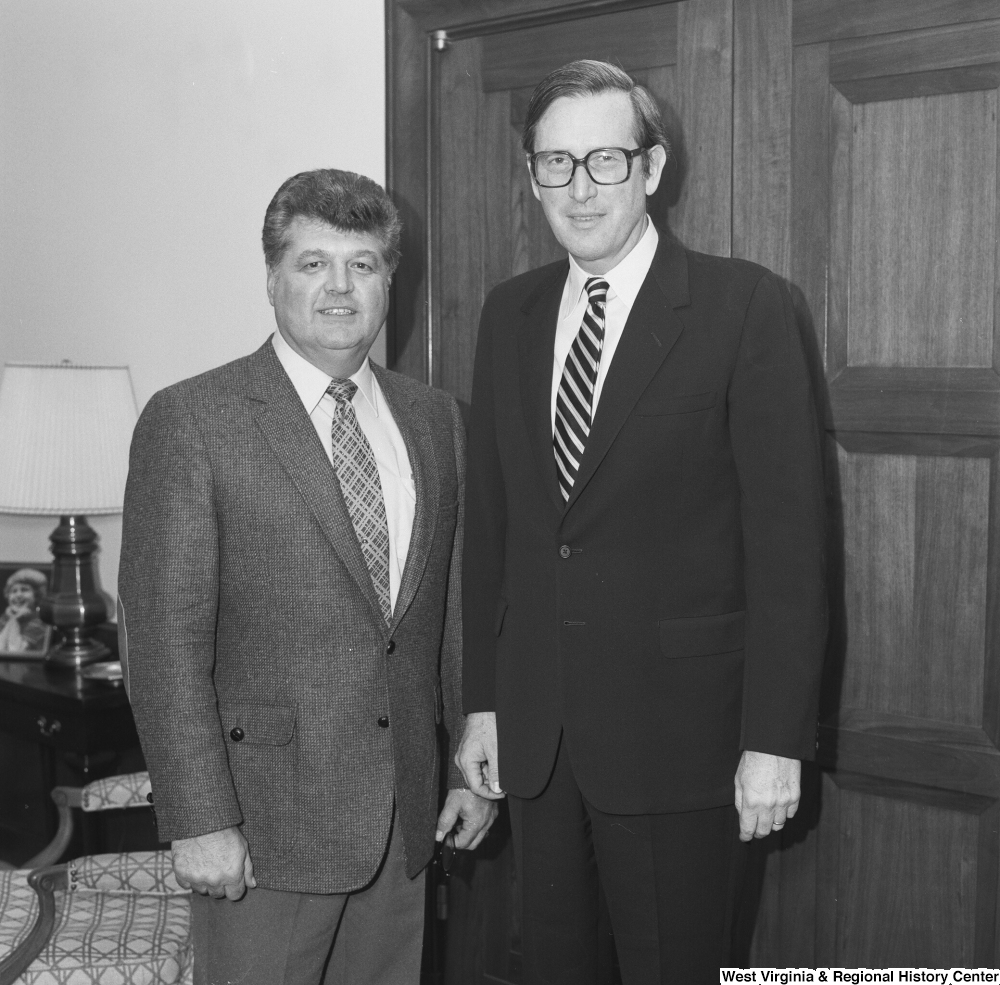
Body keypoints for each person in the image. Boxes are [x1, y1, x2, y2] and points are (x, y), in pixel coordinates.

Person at [457, 60, 827, 984]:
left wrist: (775, 738)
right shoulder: (509, 316)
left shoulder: (746, 307)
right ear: (532, 175)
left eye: (605, 161)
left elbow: (792, 550)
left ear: (653, 169)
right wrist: (484, 704)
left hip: (684, 741)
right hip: (539, 740)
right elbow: (496, 534)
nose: (578, 189)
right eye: (555, 164)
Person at [120, 168, 495, 985]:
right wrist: (200, 818)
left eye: (362, 264)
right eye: (312, 262)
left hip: (403, 823)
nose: (339, 287)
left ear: (389, 281)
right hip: (261, 831)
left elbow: (457, 607)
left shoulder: (437, 421)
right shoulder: (194, 420)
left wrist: (471, 757)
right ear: (272, 279)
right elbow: (161, 640)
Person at [0, 568, 48, 654]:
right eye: (13, 591)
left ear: (36, 595)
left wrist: (15, 619)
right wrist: (13, 618)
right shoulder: (4, 619)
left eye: (24, 590)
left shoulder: (40, 622)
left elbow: (15, 651)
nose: (18, 595)